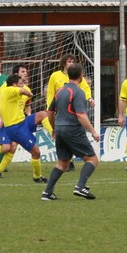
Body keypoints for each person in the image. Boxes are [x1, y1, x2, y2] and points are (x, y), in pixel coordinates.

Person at [41, 63, 101, 201]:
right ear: (81, 76)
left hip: (60, 129)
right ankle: (80, 187)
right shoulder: (78, 92)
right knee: (92, 159)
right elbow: (81, 115)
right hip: (73, 129)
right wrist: (93, 131)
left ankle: (47, 192)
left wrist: (54, 128)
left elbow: (50, 112)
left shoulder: (60, 91)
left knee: (62, 163)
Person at [0, 69, 46, 182]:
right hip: (10, 125)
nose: (25, 73)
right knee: (9, 148)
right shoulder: (8, 88)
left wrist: (29, 114)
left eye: (25, 71)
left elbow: (27, 105)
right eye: (22, 71)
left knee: (11, 148)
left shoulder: (21, 88)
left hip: (19, 123)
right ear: (16, 77)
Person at [44, 54, 94, 171]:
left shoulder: (76, 76)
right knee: (61, 134)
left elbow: (85, 88)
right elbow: (50, 92)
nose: (71, 63)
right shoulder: (55, 76)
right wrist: (50, 107)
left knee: (69, 133)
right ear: (63, 63)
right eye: (69, 61)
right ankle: (66, 160)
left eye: (73, 61)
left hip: (72, 109)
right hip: (59, 108)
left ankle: (68, 160)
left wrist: (89, 98)